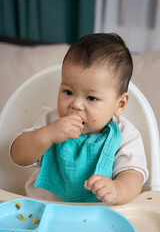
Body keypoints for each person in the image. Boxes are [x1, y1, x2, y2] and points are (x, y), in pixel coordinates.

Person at [10, 33, 148, 204]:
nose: (76, 105)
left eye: (91, 98)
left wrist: (117, 189)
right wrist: (48, 135)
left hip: (96, 216)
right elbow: (18, 155)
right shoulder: (51, 122)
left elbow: (134, 177)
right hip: (43, 209)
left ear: (120, 104)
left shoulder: (125, 135)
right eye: (68, 92)